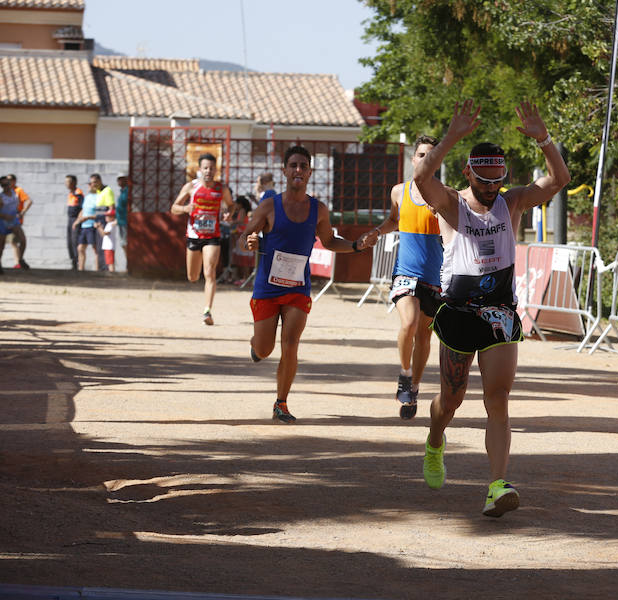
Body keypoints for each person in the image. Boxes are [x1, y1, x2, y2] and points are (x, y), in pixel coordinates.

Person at [412, 100, 570, 517]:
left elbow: (559, 180)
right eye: (483, 181)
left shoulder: (512, 201)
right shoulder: (450, 204)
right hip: (459, 314)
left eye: (497, 180)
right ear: (469, 174)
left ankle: (497, 485)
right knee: (451, 400)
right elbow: (421, 176)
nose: (490, 189)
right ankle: (434, 441)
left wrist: (543, 139)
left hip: (500, 311)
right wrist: (451, 137)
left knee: (497, 399)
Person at [240, 145, 374, 423]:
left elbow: (329, 242)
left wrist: (355, 246)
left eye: (303, 166)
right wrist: (251, 241)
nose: (298, 170)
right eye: (293, 165)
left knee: (290, 343)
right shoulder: (269, 205)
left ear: (310, 172)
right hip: (267, 287)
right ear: (285, 170)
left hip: (298, 288)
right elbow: (245, 237)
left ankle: (281, 403)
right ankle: (256, 346)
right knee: (266, 349)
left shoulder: (318, 209)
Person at [358, 135, 442, 420]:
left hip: (434, 276)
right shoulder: (399, 192)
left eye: (431, 156)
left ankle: (414, 388)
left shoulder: (446, 194)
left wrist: (441, 215)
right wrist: (376, 232)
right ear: (413, 159)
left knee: (424, 336)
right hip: (406, 271)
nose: (424, 160)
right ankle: (405, 374)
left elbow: (459, 228)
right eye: (421, 155)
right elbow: (395, 219)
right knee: (409, 321)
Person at [170, 153, 234, 325]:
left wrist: (229, 214)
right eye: (205, 167)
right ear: (200, 169)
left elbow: (231, 205)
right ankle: (198, 286)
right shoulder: (191, 187)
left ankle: (207, 311)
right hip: (194, 236)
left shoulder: (222, 189)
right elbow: (173, 208)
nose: (208, 171)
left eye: (212, 168)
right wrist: (185, 209)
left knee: (210, 272)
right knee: (192, 276)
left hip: (212, 236)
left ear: (216, 170)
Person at [72, 174, 103, 271]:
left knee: (95, 248)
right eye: (90, 183)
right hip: (84, 226)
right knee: (80, 248)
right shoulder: (88, 196)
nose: (91, 185)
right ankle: (81, 269)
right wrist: (77, 220)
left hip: (93, 225)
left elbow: (101, 213)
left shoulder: (100, 196)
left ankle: (97, 270)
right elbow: (83, 210)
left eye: (94, 183)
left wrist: (89, 218)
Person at [90, 174, 116, 271]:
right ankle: (102, 267)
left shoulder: (107, 191)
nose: (93, 184)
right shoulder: (98, 192)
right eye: (92, 183)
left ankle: (105, 268)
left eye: (95, 182)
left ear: (100, 181)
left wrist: (110, 220)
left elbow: (111, 207)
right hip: (99, 219)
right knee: (99, 246)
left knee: (104, 245)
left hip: (104, 220)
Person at [7, 174, 31, 270]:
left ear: (14, 181)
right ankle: (18, 262)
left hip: (16, 222)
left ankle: (19, 261)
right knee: (14, 242)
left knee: (20, 241)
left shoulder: (18, 191)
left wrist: (22, 212)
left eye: (10, 180)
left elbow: (29, 201)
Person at [0, 175, 23, 275]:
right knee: (1, 246)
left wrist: (19, 213)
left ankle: (20, 260)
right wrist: (4, 215)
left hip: (14, 222)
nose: (6, 186)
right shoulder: (1, 197)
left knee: (22, 239)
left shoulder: (15, 193)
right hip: (2, 222)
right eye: (3, 185)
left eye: (7, 184)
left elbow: (18, 205)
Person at [229, 195, 254, 285]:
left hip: (242, 235)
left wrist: (232, 222)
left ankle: (246, 278)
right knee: (245, 258)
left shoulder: (242, 211)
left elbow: (241, 221)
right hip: (243, 234)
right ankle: (245, 278)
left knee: (244, 258)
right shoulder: (245, 210)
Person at [65, 175, 84, 269]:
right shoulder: (70, 193)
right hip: (69, 219)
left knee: (74, 240)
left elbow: (82, 208)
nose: (66, 184)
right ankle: (72, 261)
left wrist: (77, 220)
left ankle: (77, 262)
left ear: (74, 183)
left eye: (68, 182)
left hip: (75, 219)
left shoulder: (78, 193)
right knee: (69, 241)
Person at [97, 208, 118, 273]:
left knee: (110, 262)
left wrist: (99, 227)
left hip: (109, 247)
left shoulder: (111, 224)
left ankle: (112, 274)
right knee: (109, 262)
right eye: (106, 216)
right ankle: (112, 273)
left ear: (113, 217)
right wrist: (99, 228)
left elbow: (105, 233)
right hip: (107, 247)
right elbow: (103, 235)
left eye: (109, 216)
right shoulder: (109, 224)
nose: (106, 217)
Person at [115, 173, 128, 247]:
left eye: (121, 179)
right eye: (118, 179)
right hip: (121, 221)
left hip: (126, 220)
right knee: (123, 243)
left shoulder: (127, 191)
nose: (119, 181)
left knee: (125, 243)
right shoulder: (121, 191)